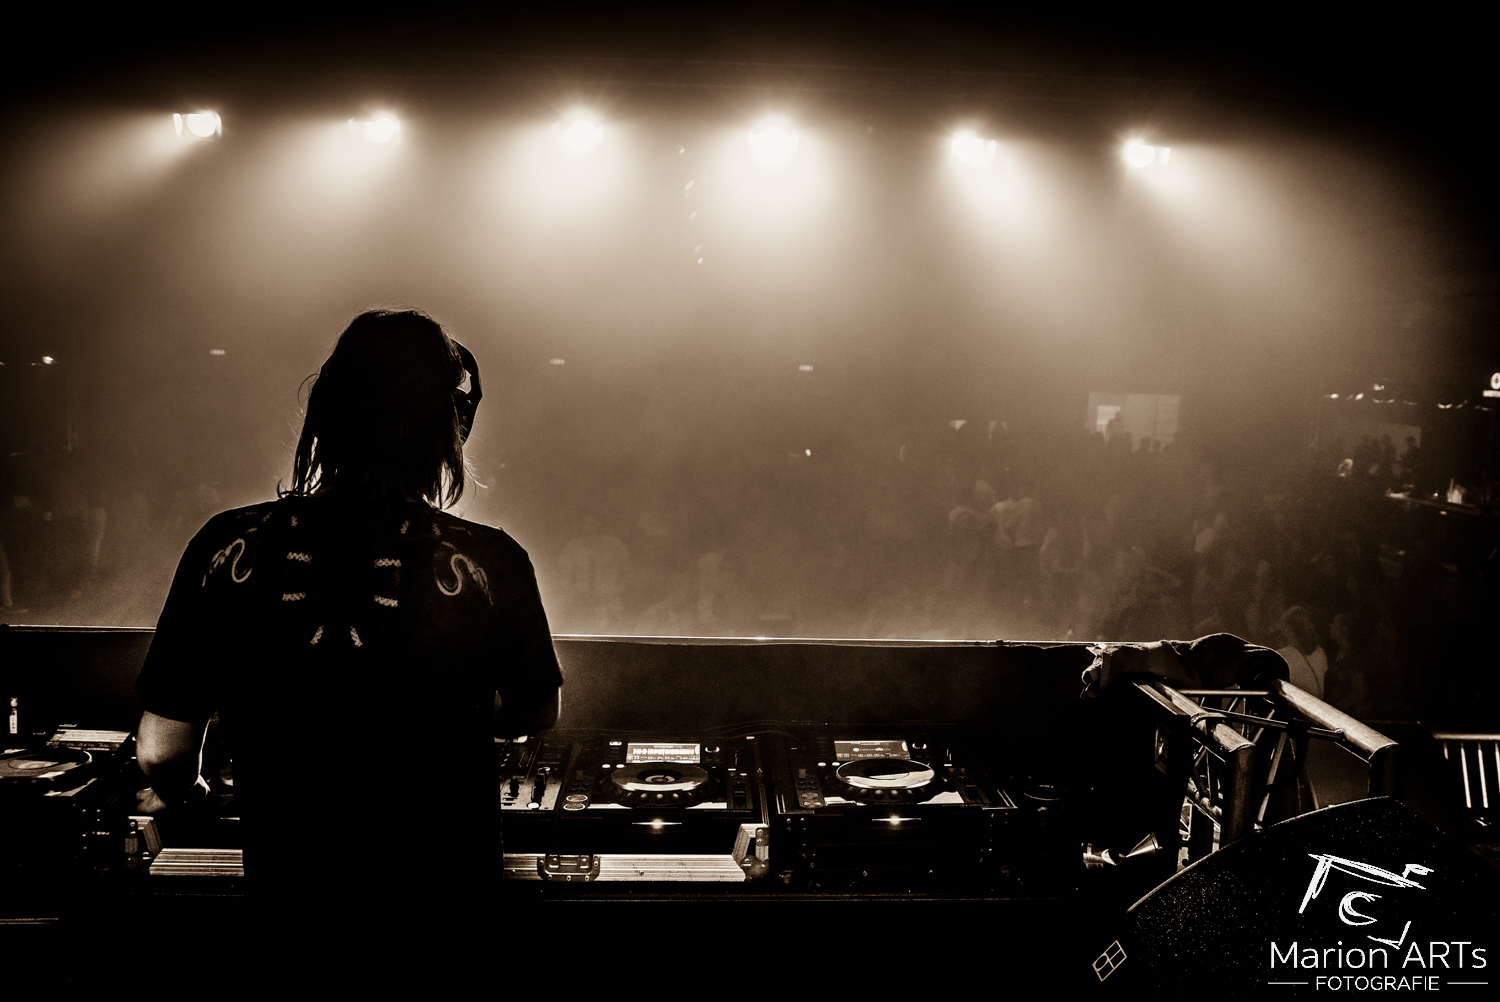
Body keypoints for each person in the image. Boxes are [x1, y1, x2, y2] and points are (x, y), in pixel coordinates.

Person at [132, 310, 562, 979]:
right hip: (446, 910)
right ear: (448, 428)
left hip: (295, 906)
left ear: (325, 415)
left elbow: (163, 751)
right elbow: (537, 710)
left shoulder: (228, 546)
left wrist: (195, 794)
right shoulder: (489, 561)